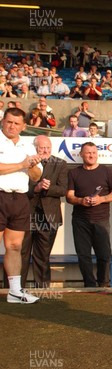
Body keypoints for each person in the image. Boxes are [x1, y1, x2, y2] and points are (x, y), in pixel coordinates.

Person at [0, 108, 42, 303]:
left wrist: (31, 165)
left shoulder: (27, 145)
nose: (12, 126)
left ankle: (15, 292)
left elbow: (36, 176)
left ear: (24, 126)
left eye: (17, 123)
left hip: (20, 199)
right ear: (3, 121)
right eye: (9, 122)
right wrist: (22, 164)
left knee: (15, 246)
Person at [66, 142, 112, 287]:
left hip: (101, 220)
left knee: (104, 255)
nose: (91, 155)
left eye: (94, 153)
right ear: (81, 155)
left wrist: (101, 199)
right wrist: (81, 200)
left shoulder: (107, 171)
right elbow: (69, 197)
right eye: (88, 153)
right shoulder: (73, 173)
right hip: (80, 221)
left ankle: (103, 284)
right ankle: (89, 285)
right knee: (83, 255)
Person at [20, 135, 68, 288]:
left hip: (49, 217)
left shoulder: (60, 164)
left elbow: (63, 189)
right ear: (35, 149)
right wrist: (36, 188)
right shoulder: (25, 163)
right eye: (42, 148)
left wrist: (47, 188)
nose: (45, 151)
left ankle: (42, 289)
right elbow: (18, 187)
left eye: (48, 148)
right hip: (25, 215)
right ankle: (14, 288)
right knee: (21, 255)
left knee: (43, 256)